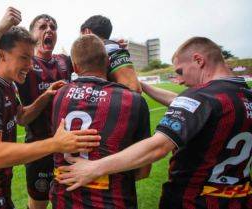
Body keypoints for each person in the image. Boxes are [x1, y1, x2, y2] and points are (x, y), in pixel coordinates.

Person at [57, 37, 252, 209]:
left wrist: (94, 168)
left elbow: (157, 147)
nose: (180, 80)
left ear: (199, 60)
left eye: (180, 71)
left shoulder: (201, 97)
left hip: (193, 199)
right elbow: (192, 106)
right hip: (240, 198)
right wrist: (141, 85)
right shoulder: (241, 96)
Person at [0, 26, 101, 209]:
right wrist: (56, 144)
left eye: (31, 58)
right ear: (2, 55)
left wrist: (47, 95)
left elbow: (21, 117)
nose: (30, 65)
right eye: (24, 58)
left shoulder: (7, 86)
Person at [0, 7, 74, 209]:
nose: (49, 30)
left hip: (67, 145)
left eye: (53, 27)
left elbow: (90, 59)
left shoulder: (64, 61)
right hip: (39, 148)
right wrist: (0, 28)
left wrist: (111, 47)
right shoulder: (5, 75)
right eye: (43, 26)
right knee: (39, 203)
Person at [50, 34, 151, 209]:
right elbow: (143, 170)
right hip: (114, 201)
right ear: (107, 62)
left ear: (75, 66)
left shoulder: (60, 94)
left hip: (63, 199)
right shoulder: (133, 100)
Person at [80, 15, 142, 93]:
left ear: (87, 32)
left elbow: (134, 89)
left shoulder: (112, 49)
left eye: (80, 36)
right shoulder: (90, 55)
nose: (79, 41)